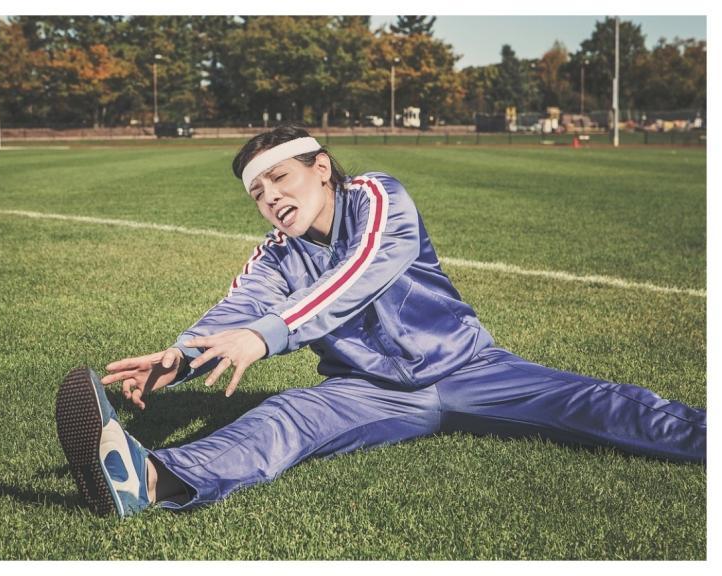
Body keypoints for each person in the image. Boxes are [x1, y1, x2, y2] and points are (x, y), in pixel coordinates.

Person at [55, 124, 706, 518]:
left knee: (601, 405)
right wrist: (181, 358)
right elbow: (239, 308)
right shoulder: (274, 256)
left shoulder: (377, 198)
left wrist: (268, 334)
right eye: (257, 192)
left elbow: (361, 273)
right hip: (366, 393)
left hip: (472, 370)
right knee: (283, 419)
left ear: (320, 167)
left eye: (280, 179)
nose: (271, 199)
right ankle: (146, 479)